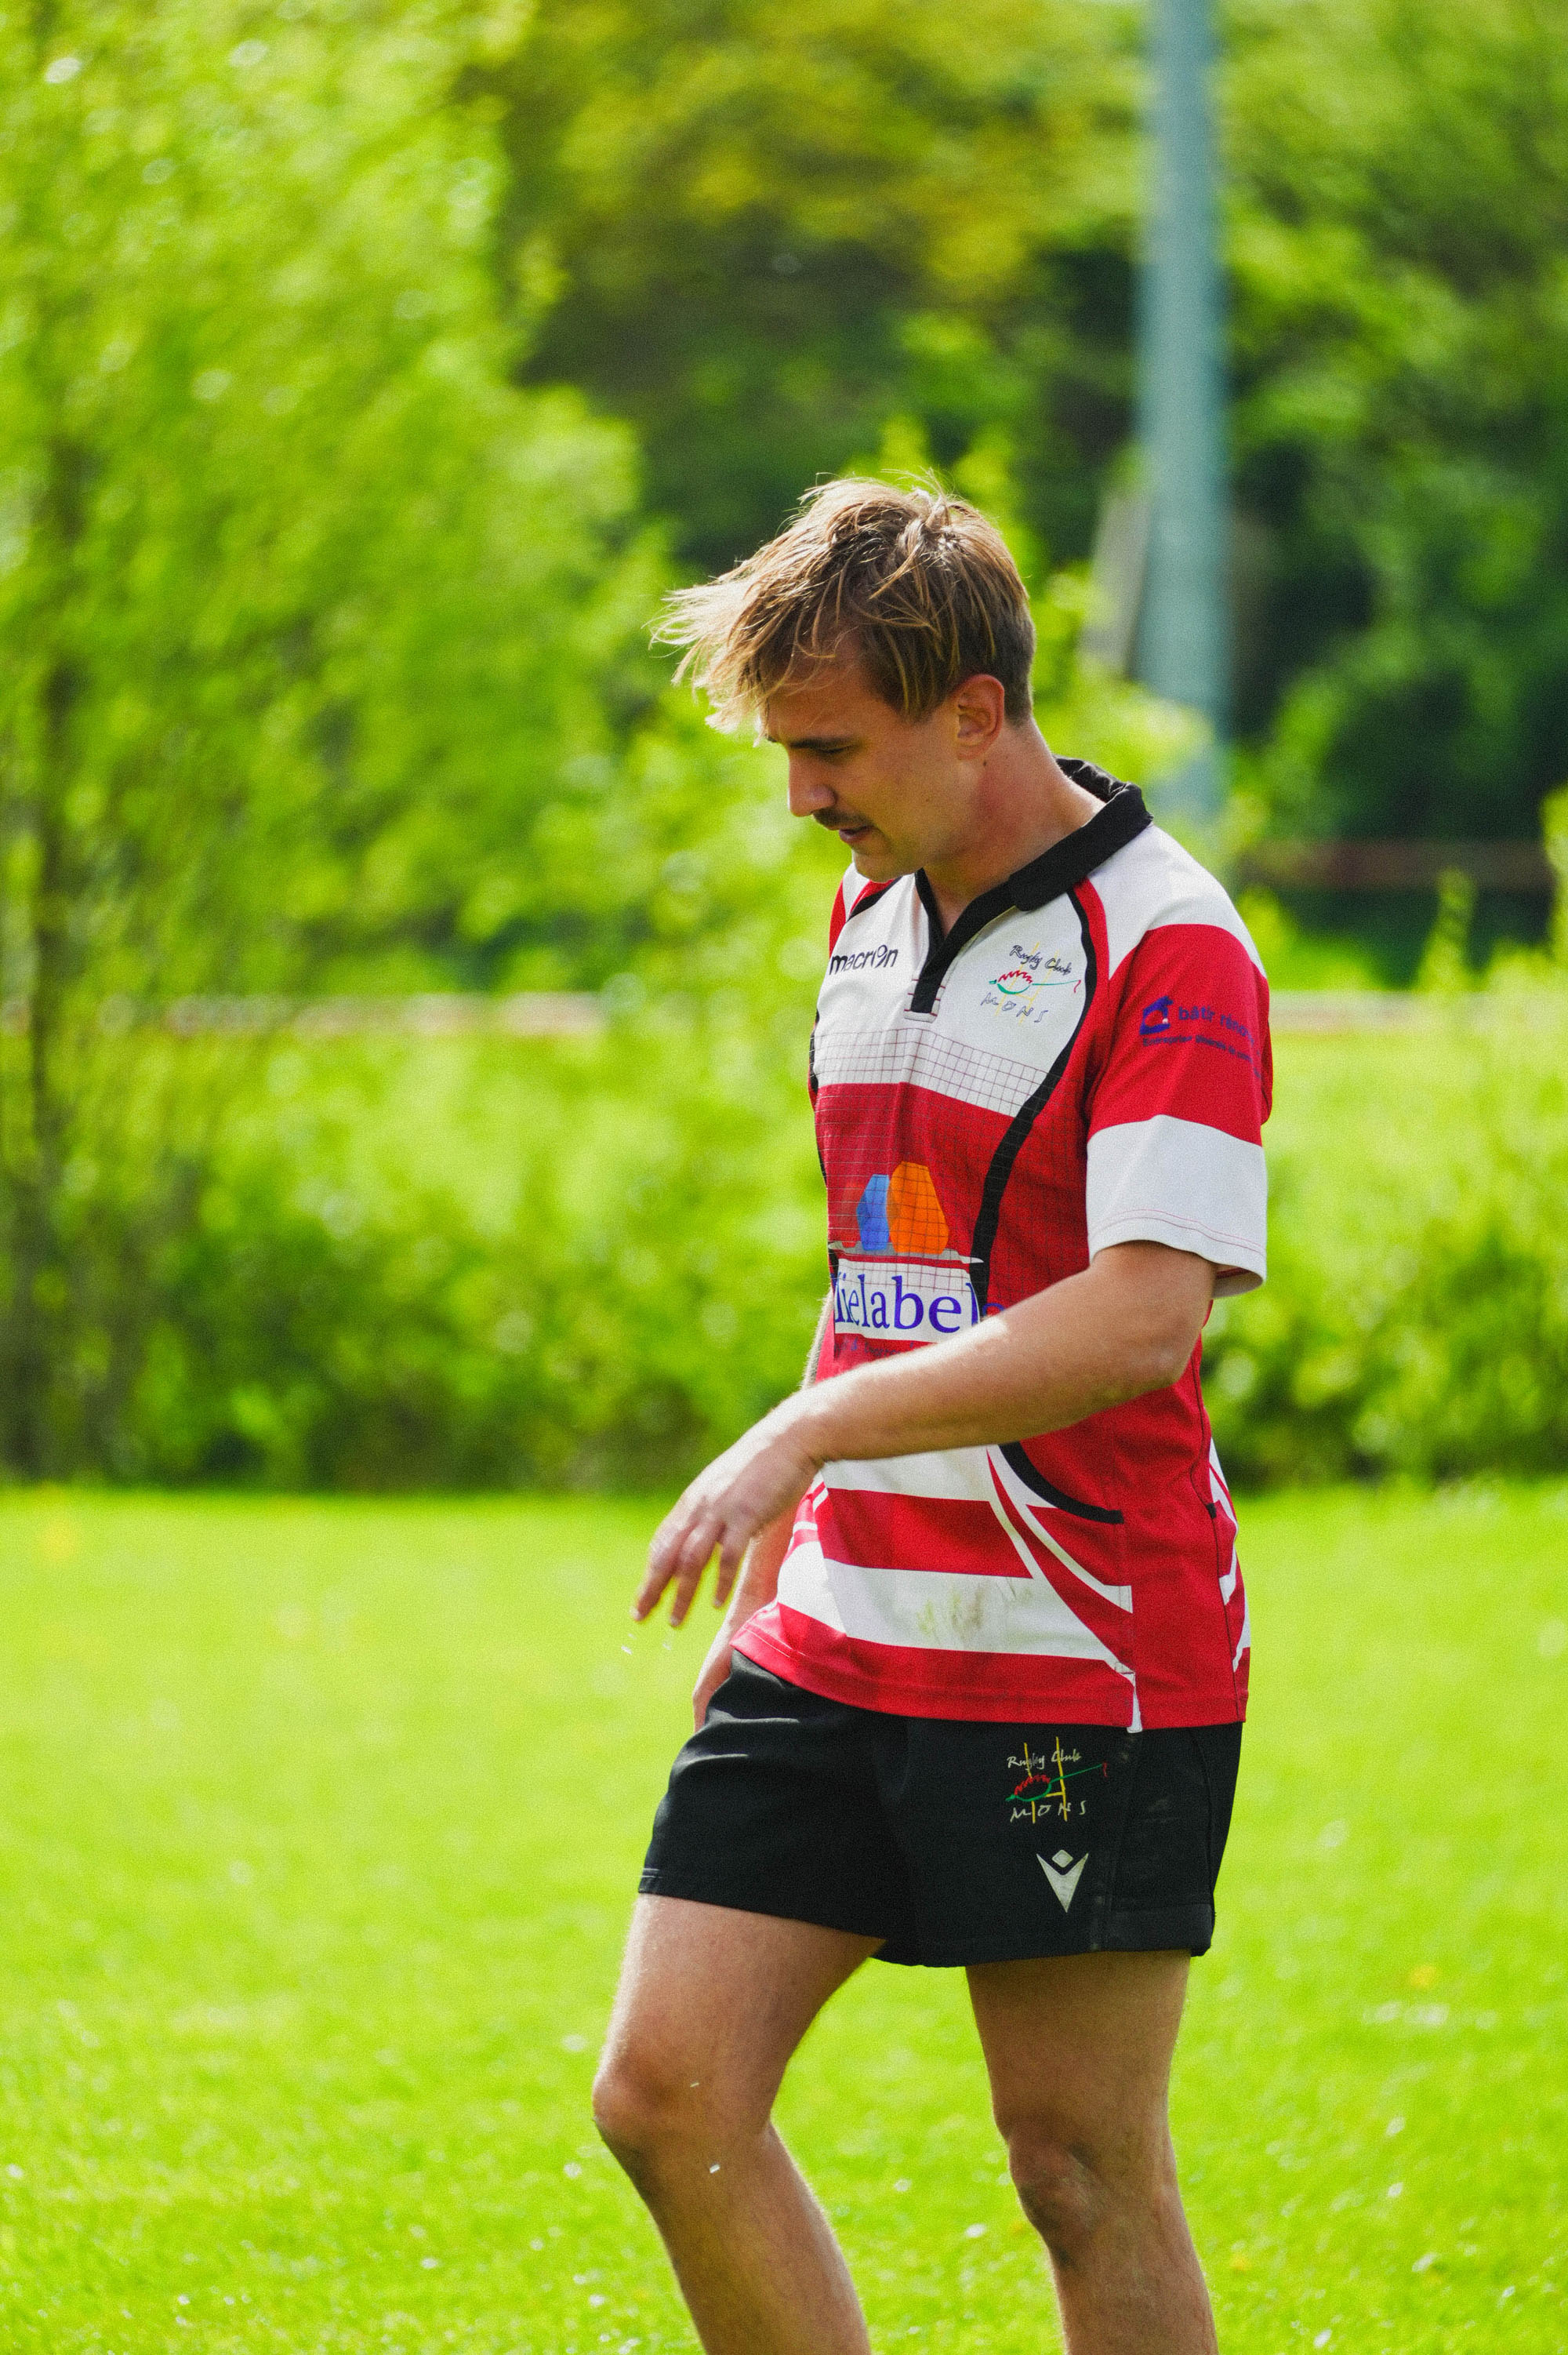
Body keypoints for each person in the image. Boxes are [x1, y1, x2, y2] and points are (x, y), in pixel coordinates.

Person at [593, 478, 1271, 2355]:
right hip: (842, 1629)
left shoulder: (1171, 945)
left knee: (1076, 2166)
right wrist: (782, 1560)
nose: (799, 795)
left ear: (975, 711)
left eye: (828, 749)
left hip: (1081, 1648)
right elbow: (880, 1266)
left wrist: (797, 1438)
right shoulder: (867, 914)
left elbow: (1141, 1315)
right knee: (667, 2093)